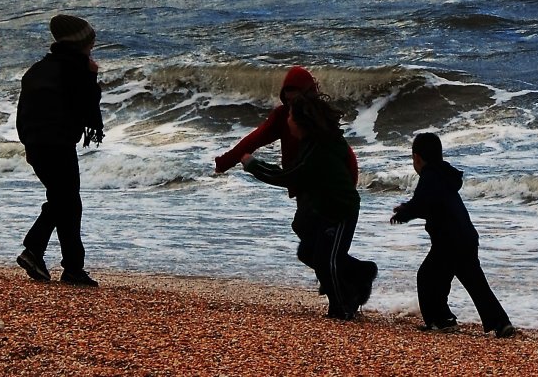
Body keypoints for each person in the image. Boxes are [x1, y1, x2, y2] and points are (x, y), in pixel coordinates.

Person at [241, 94, 377, 318]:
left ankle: (341, 307)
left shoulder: (318, 150)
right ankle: (362, 272)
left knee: (326, 260)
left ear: (302, 123)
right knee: (307, 252)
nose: (287, 121)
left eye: (290, 117)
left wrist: (253, 165)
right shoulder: (313, 143)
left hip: (341, 211)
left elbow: (287, 177)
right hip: (324, 209)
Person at [214, 66, 360, 273]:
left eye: (296, 99)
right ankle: (345, 274)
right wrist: (226, 161)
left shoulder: (318, 117)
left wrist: (350, 184)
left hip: (328, 189)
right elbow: (255, 138)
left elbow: (347, 155)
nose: (292, 107)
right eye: (288, 101)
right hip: (301, 183)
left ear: (309, 93)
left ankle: (345, 277)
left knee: (313, 239)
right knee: (305, 231)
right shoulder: (284, 116)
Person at [390, 132, 515, 337]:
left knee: (427, 277)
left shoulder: (430, 176)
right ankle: (501, 323)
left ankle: (440, 320)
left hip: (448, 241)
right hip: (465, 236)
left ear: (417, 158)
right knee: (474, 283)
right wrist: (409, 210)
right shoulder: (445, 175)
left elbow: (422, 203)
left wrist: (403, 213)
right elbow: (429, 203)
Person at [15, 13, 105, 287]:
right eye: (90, 42)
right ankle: (36, 250)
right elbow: (86, 106)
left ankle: (70, 267)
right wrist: (92, 77)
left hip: (36, 144)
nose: (92, 47)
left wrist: (29, 142)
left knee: (64, 201)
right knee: (65, 202)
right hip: (58, 143)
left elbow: (26, 111)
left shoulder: (39, 69)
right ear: (80, 43)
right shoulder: (76, 69)